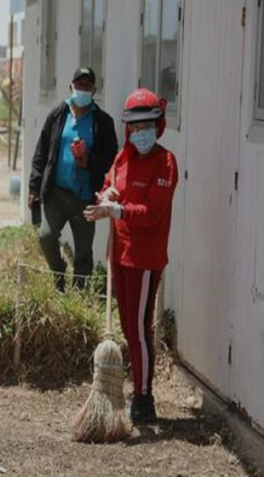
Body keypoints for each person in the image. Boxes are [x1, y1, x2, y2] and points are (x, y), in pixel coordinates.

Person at [84, 88, 178, 424]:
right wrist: (105, 194)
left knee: (138, 329)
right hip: (119, 255)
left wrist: (119, 209)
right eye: (135, 128)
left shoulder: (165, 162)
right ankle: (136, 387)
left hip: (144, 260)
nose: (140, 134)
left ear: (158, 124)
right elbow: (110, 184)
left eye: (146, 126)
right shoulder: (124, 157)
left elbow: (152, 212)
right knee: (127, 326)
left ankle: (143, 397)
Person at [29, 67, 118, 290]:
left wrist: (88, 160)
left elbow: (111, 159)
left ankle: (80, 294)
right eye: (79, 85)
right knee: (46, 237)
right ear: (71, 87)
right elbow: (41, 151)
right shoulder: (58, 114)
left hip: (85, 197)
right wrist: (34, 186)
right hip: (57, 194)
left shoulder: (103, 122)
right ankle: (58, 276)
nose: (83, 90)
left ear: (94, 90)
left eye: (87, 86)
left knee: (83, 253)